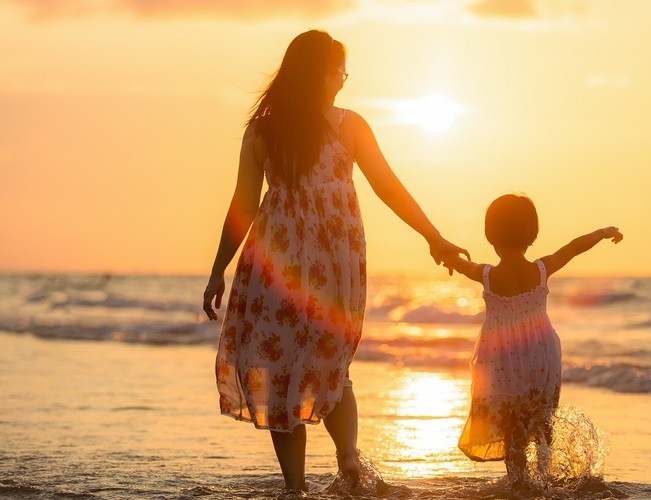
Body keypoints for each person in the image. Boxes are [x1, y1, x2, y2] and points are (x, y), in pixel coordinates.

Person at [201, 30, 467, 492]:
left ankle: (297, 488)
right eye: (340, 69)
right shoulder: (347, 125)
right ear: (320, 72)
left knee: (280, 367)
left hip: (275, 263)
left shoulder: (265, 128)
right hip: (331, 262)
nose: (344, 79)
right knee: (329, 363)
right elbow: (387, 186)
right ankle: (349, 469)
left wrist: (218, 270)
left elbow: (243, 205)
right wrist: (433, 237)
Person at [441, 194, 623, 485]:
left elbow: (459, 264)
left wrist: (444, 254)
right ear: (532, 234)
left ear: (490, 235)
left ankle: (519, 481)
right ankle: (544, 476)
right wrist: (603, 233)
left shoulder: (487, 274)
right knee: (542, 418)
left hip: (501, 359)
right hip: (541, 354)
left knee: (512, 424)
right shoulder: (541, 269)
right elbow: (574, 247)